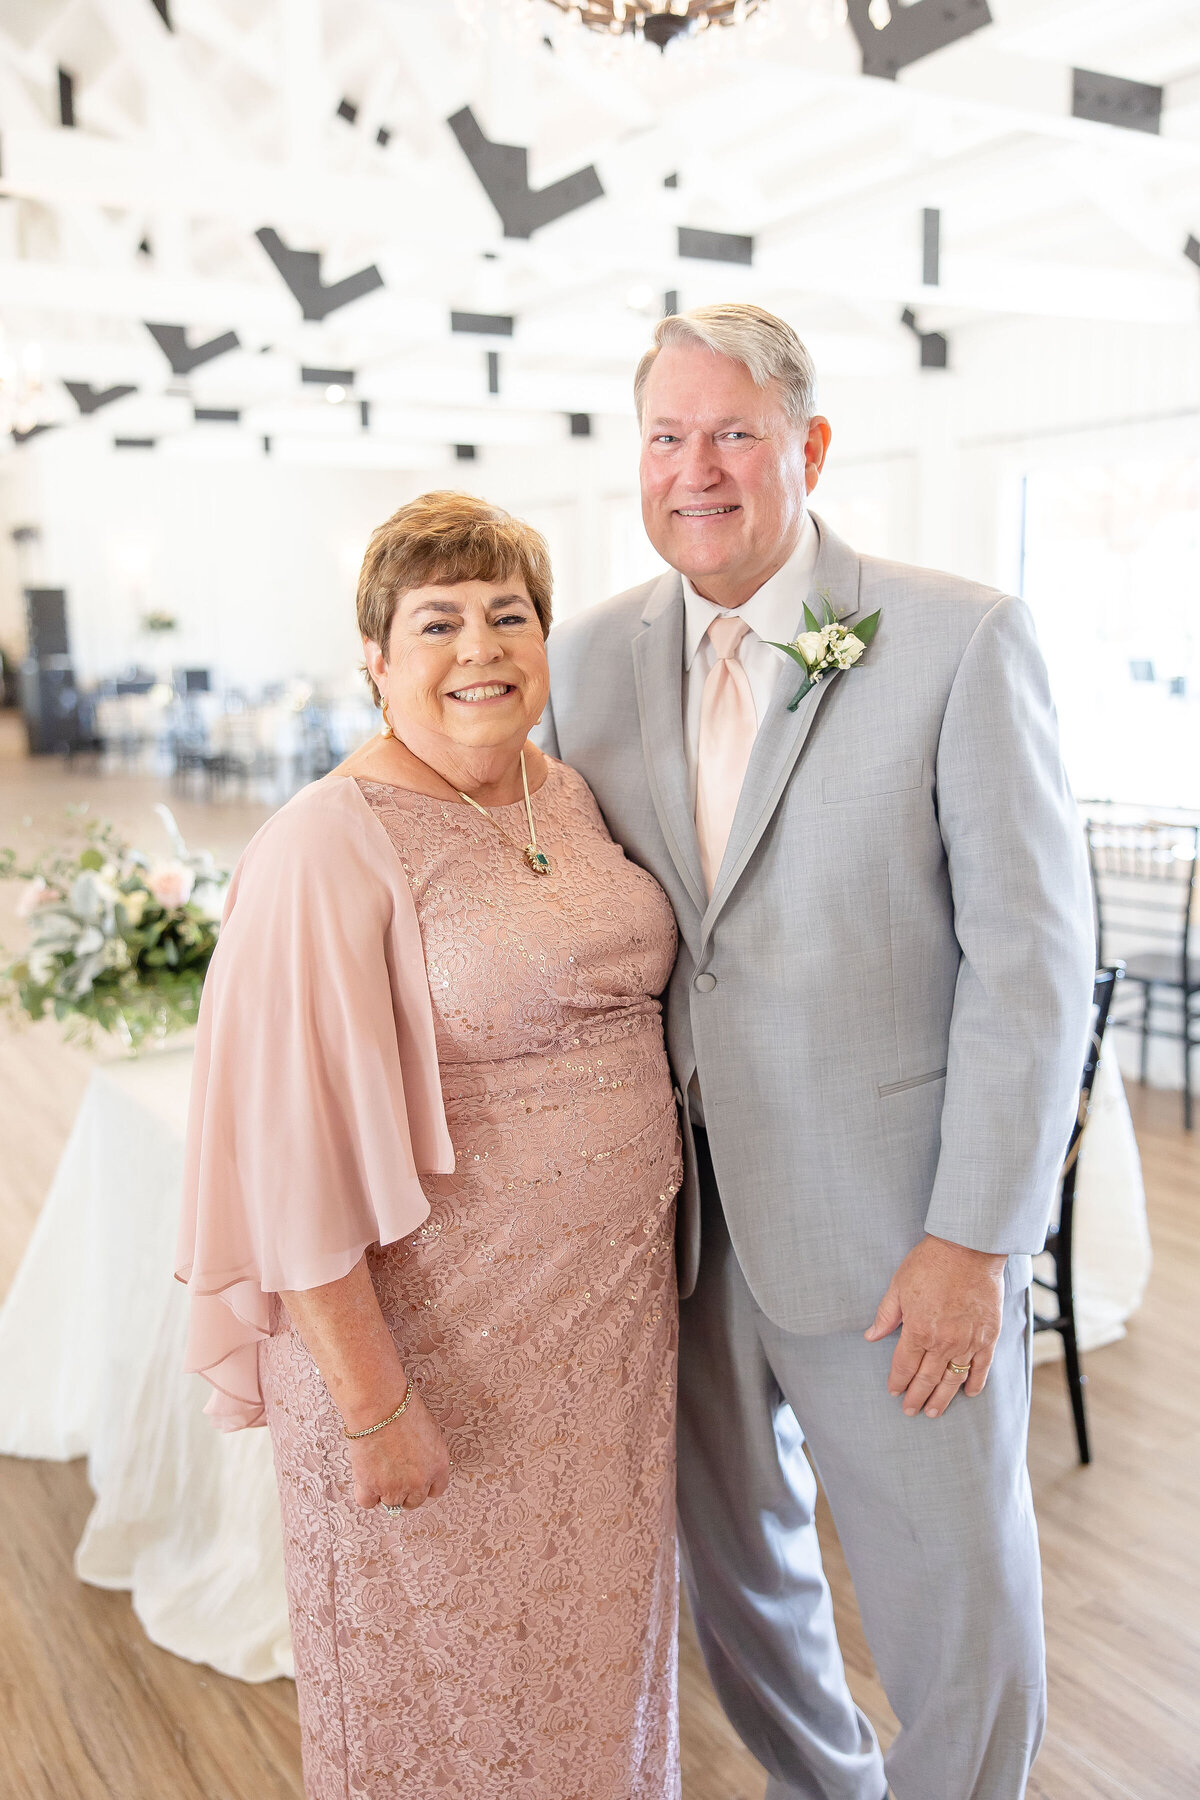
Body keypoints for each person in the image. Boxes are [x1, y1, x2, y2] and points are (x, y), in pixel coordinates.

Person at [536, 304, 1095, 1800]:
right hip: (677, 1237)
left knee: (952, 1593)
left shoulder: (960, 636)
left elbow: (1031, 970)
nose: (694, 470)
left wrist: (975, 1243)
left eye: (732, 434)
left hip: (896, 1236)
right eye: (666, 437)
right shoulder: (586, 664)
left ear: (809, 447)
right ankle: (824, 1787)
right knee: (740, 1589)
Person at [176, 491, 683, 1800]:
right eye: (439, 621)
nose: (481, 649)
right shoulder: (324, 843)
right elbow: (285, 1166)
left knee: (590, 1670)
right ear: (376, 659)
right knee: (444, 1699)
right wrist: (374, 1404)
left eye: (509, 615)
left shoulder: (563, 792)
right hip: (434, 1353)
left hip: (608, 1349)